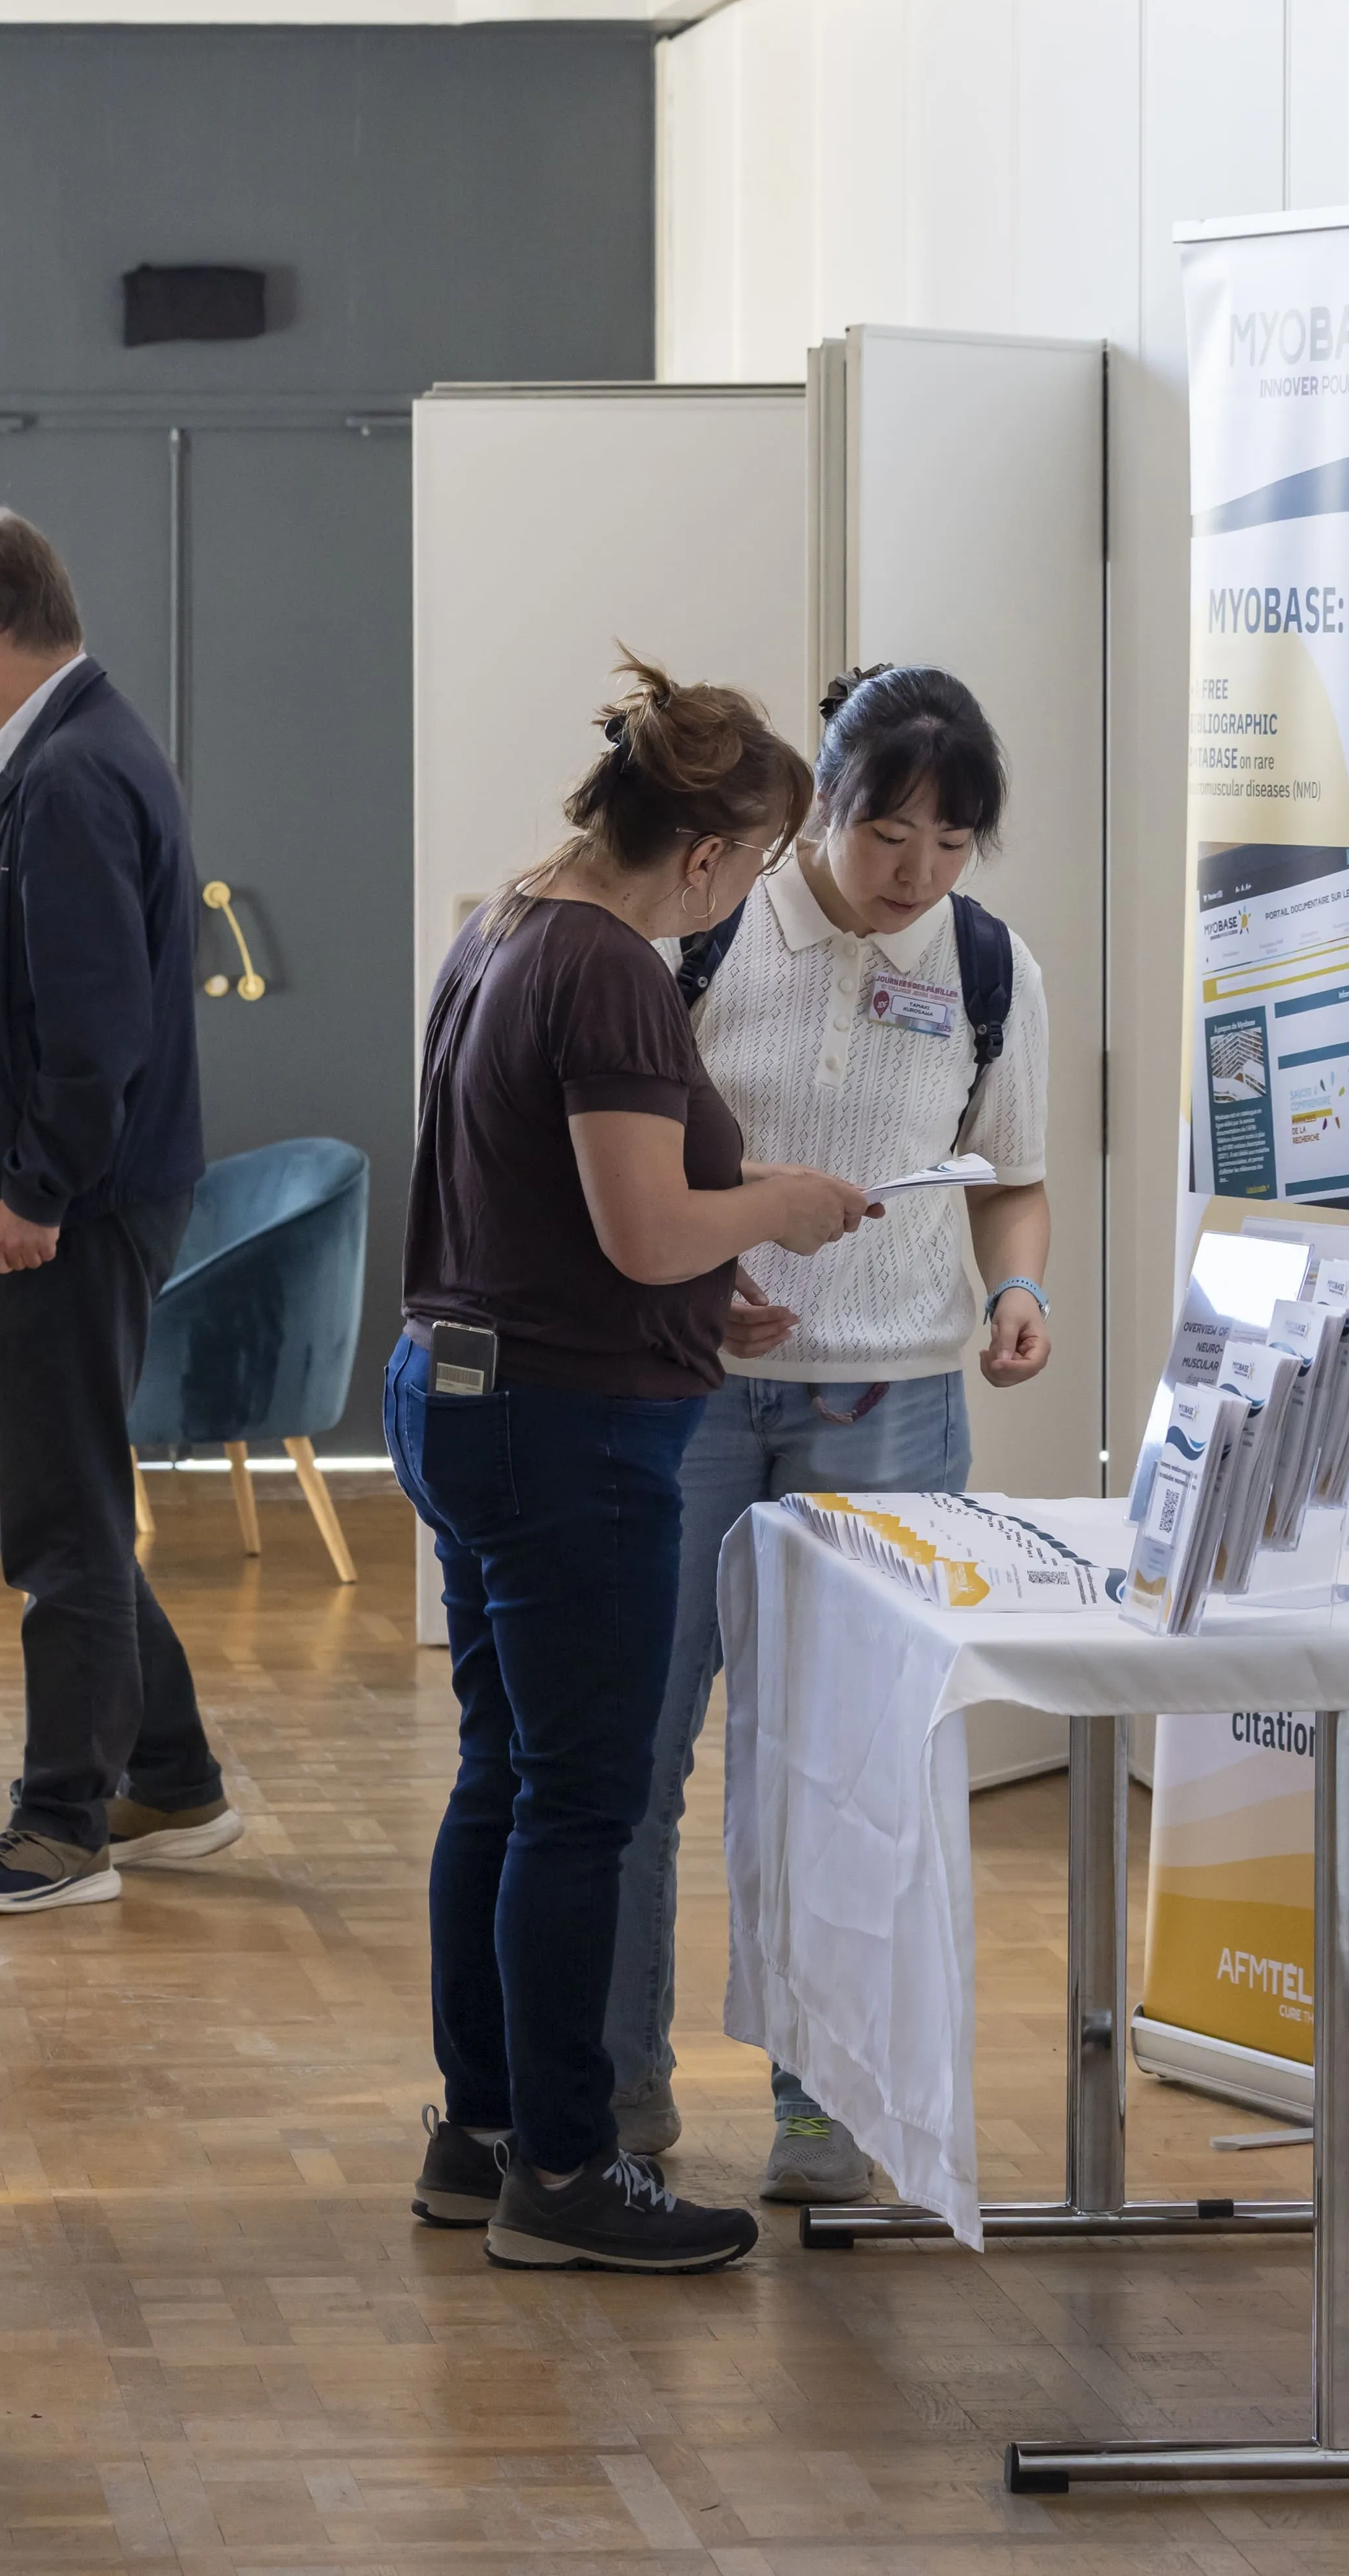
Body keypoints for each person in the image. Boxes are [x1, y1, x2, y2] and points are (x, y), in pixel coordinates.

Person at [389, 656, 864, 2277]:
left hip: (464, 1388)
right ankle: (570, 2167)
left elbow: (538, 1191)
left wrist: (685, 1284)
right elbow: (640, 1218)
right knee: (582, 1798)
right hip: (564, 1426)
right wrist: (770, 1209)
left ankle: (483, 2127)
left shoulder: (504, 919)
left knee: (501, 1773)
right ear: (714, 855)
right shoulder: (604, 966)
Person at [609, 662, 1048, 2196]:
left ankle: (825, 2099)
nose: (913, 875)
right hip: (689, 1397)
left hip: (892, 1409)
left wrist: (1018, 1292)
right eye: (886, 838)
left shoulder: (989, 966)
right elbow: (631, 1147)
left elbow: (1010, 1172)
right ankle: (619, 2099)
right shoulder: (713, 927)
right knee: (639, 1747)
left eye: (948, 844)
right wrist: (704, 1270)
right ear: (821, 817)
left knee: (847, 1762)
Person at [0, 508, 227, 1917]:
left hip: (74, 1201)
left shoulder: (77, 773)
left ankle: (61, 1824)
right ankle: (174, 1775)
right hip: (74, 1192)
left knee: (56, 1511)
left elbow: (98, 1031)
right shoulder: (53, 757)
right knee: (65, 1492)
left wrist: (35, 1189)